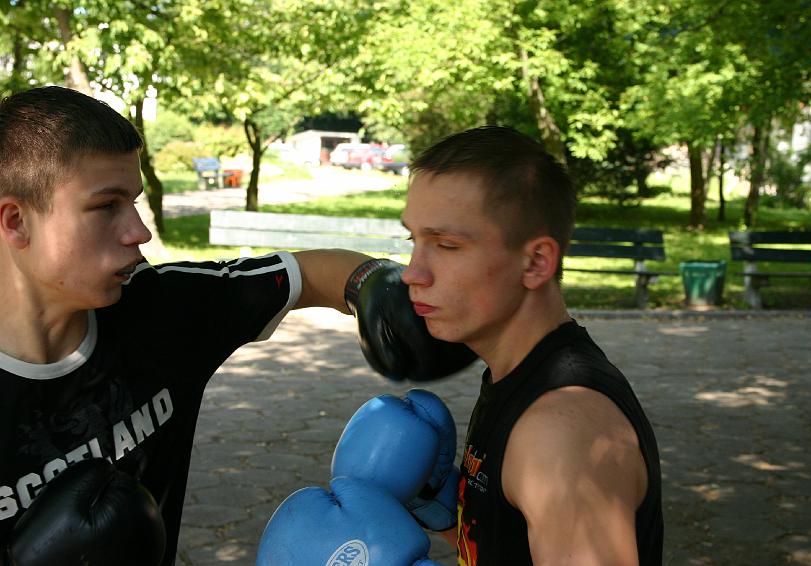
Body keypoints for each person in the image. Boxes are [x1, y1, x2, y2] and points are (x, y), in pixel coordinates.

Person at [0, 86, 474, 565]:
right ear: (16, 221)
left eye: (134, 202)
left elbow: (311, 274)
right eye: (107, 206)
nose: (138, 231)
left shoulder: (159, 308)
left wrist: (373, 285)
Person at [399, 126, 664, 564]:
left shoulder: (559, 435)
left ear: (536, 262)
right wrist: (449, 518)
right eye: (414, 239)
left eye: (446, 245)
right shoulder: (519, 376)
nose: (413, 273)